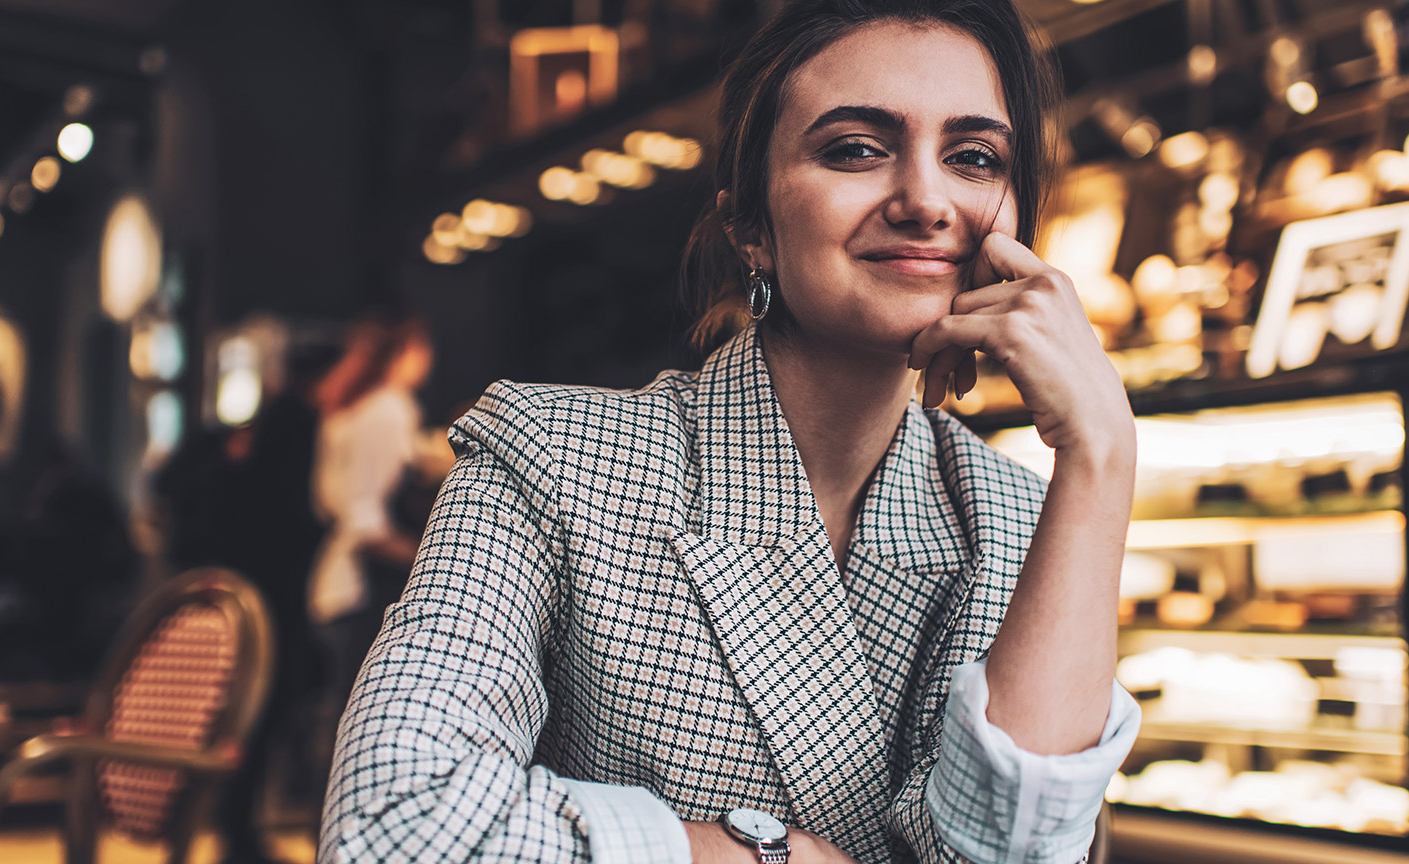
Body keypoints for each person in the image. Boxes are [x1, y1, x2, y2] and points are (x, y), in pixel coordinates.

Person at [321, 2, 1141, 862]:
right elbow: (391, 825)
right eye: (856, 148)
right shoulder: (548, 457)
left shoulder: (1019, 516)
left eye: (973, 158)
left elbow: (1009, 855)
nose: (927, 200)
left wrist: (1102, 455)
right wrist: (756, 855)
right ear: (749, 226)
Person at [306, 317, 433, 767]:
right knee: (363, 734)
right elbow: (366, 522)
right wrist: (438, 560)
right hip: (360, 588)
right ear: (404, 355)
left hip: (334, 582)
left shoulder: (348, 408)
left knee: (347, 724)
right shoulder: (388, 409)